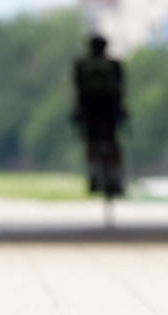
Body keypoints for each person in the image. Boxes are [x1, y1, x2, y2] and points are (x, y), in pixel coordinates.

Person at [72, 34, 127, 199]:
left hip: (90, 110)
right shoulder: (113, 64)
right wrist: (123, 110)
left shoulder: (82, 65)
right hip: (109, 109)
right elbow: (120, 89)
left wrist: (77, 111)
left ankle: (94, 174)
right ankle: (115, 174)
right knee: (113, 141)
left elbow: (78, 90)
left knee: (91, 141)